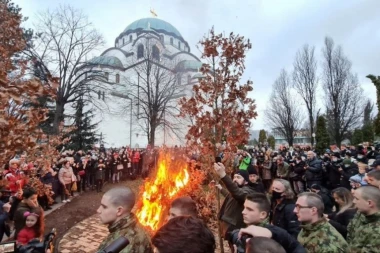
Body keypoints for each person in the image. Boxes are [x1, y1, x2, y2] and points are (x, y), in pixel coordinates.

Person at [230, 193, 305, 253]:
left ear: (262, 214)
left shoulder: (273, 236)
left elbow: (295, 246)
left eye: (249, 209)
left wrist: (272, 232)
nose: (243, 212)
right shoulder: (247, 232)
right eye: (244, 207)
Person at [97, 187, 152, 253]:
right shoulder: (138, 227)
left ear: (119, 211)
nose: (98, 210)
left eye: (104, 207)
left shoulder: (123, 243)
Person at [213, 162, 255, 248]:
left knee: (236, 247)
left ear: (246, 181)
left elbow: (238, 194)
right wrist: (221, 188)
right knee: (231, 246)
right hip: (228, 224)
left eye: (238, 177)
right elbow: (230, 196)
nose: (235, 179)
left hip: (235, 227)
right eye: (234, 177)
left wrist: (223, 175)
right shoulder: (238, 190)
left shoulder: (248, 191)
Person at [347, 186, 380, 252]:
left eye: (356, 199)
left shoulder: (377, 230)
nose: (354, 201)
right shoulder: (360, 213)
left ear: (369, 203)